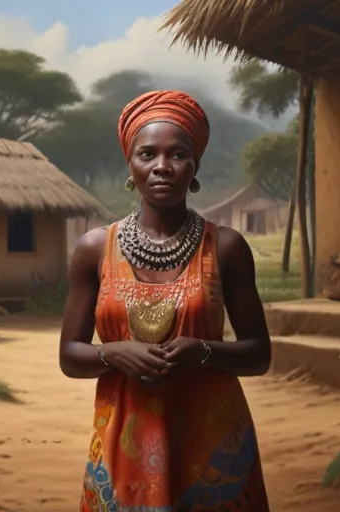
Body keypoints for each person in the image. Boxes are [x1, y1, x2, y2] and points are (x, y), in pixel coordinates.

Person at [59, 90, 272, 511]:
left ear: (194, 168)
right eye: (147, 154)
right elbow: (69, 356)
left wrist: (204, 351)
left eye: (178, 155)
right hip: (126, 443)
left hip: (214, 449)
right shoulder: (94, 249)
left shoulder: (226, 248)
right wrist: (115, 353)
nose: (162, 166)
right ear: (131, 165)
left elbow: (259, 354)